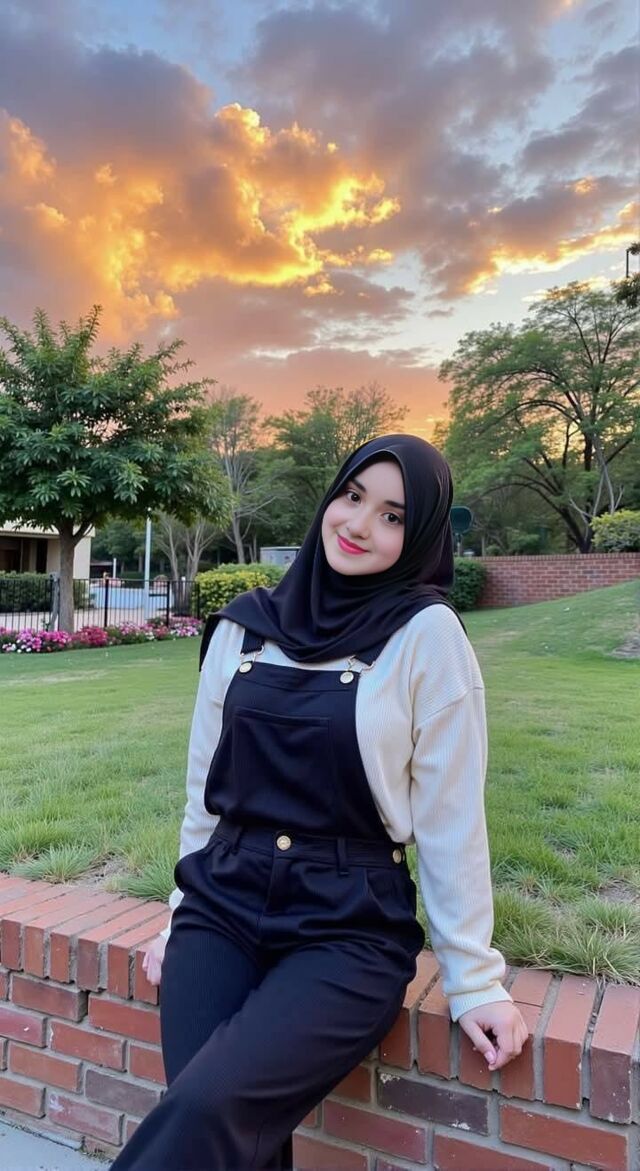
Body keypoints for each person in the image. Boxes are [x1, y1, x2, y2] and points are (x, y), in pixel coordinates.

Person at [110, 434, 527, 1171]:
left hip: (347, 924)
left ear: (421, 536)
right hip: (222, 902)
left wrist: (474, 981)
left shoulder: (427, 636)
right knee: (226, 1134)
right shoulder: (242, 626)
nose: (360, 524)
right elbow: (205, 794)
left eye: (393, 516)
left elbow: (452, 822)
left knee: (208, 1107)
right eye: (353, 496)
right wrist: (179, 910)